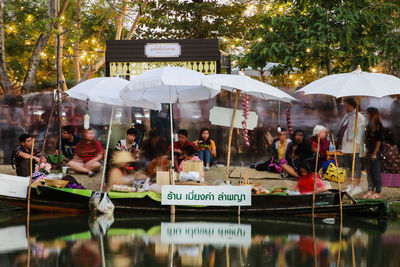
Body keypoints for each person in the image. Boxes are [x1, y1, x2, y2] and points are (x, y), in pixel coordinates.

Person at [336, 98, 366, 195]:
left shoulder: (359, 117)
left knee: (356, 166)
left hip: (355, 145)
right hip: (347, 145)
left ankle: (357, 185)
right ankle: (350, 184)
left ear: (351, 106)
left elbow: (359, 132)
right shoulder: (348, 116)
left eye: (346, 106)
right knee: (348, 166)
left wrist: (353, 138)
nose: (344, 107)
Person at [362, 107, 384, 199]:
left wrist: (375, 152)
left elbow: (379, 140)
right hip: (369, 150)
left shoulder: (378, 125)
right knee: (369, 172)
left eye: (367, 113)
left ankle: (378, 191)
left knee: (375, 172)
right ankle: (370, 189)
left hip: (376, 152)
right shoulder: (368, 125)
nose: (366, 115)